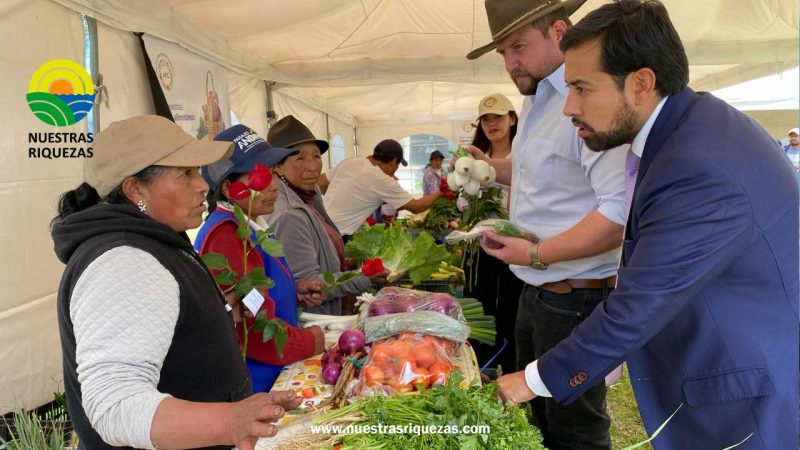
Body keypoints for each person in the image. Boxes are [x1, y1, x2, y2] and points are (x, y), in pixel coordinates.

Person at [487, 1, 799, 448]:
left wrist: (528, 381)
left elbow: (638, 306)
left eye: (581, 88)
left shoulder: (698, 165)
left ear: (640, 85)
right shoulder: (693, 128)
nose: (568, 106)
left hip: (744, 399)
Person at [51, 115, 302, 450]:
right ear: (134, 188)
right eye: (186, 173)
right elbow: (114, 405)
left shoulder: (152, 242)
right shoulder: (123, 259)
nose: (202, 184)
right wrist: (229, 421)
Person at [465, 0, 628, 448]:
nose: (510, 62)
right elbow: (538, 173)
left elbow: (619, 213)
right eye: (502, 52)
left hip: (574, 298)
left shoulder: (590, 100)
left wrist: (535, 253)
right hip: (538, 294)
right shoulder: (537, 97)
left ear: (559, 31)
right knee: (536, 420)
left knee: (575, 428)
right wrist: (489, 168)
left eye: (518, 46)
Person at [195, 124, 326, 392]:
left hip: (274, 372)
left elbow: (255, 293)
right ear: (230, 189)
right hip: (256, 384)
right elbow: (253, 330)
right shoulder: (227, 235)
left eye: (273, 174)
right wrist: (310, 341)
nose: (273, 186)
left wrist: (292, 291)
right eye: (259, 176)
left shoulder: (250, 224)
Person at [265, 115, 386, 315]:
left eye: (316, 156)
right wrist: (364, 277)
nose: (312, 166)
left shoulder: (310, 196)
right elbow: (310, 284)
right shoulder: (289, 214)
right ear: (277, 166)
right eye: (300, 158)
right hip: (315, 324)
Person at [462, 93, 524, 375]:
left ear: (512, 119)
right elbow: (461, 203)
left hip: (514, 246)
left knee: (512, 307)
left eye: (498, 117)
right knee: (478, 305)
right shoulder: (471, 157)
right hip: (478, 248)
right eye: (485, 119)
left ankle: (511, 369)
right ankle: (481, 368)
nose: (491, 123)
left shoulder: (522, 155)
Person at [324, 138, 443, 236]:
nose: (395, 171)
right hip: (337, 235)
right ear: (393, 162)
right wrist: (443, 189)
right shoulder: (382, 179)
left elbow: (319, 184)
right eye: (397, 166)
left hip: (319, 227)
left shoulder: (351, 162)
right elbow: (417, 207)